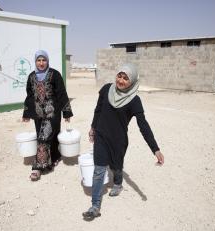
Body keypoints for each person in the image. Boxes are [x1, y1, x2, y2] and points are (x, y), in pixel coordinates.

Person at [82, 63, 164, 220]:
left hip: (118, 140)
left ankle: (118, 183)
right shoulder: (106, 89)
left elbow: (143, 126)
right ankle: (95, 206)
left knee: (116, 166)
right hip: (101, 136)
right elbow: (98, 110)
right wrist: (93, 127)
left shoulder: (134, 100)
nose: (120, 80)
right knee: (99, 170)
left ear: (132, 82)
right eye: (119, 75)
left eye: (126, 78)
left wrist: (155, 149)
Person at [22, 50, 73, 181]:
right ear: (35, 62)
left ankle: (37, 167)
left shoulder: (54, 74)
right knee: (48, 136)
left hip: (52, 113)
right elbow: (29, 96)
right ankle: (55, 157)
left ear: (47, 61)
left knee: (43, 138)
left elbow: (62, 93)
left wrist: (66, 112)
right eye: (38, 60)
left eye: (43, 60)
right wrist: (26, 113)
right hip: (38, 114)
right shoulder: (31, 77)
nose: (41, 63)